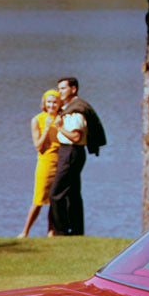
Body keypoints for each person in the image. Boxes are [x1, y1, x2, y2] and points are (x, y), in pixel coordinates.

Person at [49, 77, 105, 235]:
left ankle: (61, 231)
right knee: (72, 193)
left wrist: (60, 127)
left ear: (73, 89)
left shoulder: (76, 109)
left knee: (56, 194)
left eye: (63, 88)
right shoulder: (71, 107)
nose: (59, 92)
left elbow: (76, 137)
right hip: (72, 152)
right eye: (59, 88)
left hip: (71, 151)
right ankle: (76, 231)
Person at [18, 89, 62, 238]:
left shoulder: (62, 118)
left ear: (60, 103)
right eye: (49, 102)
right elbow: (38, 146)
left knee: (54, 200)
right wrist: (47, 128)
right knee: (39, 198)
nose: (52, 105)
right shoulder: (37, 120)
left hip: (61, 161)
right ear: (44, 103)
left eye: (55, 102)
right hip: (45, 162)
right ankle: (25, 231)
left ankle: (51, 231)